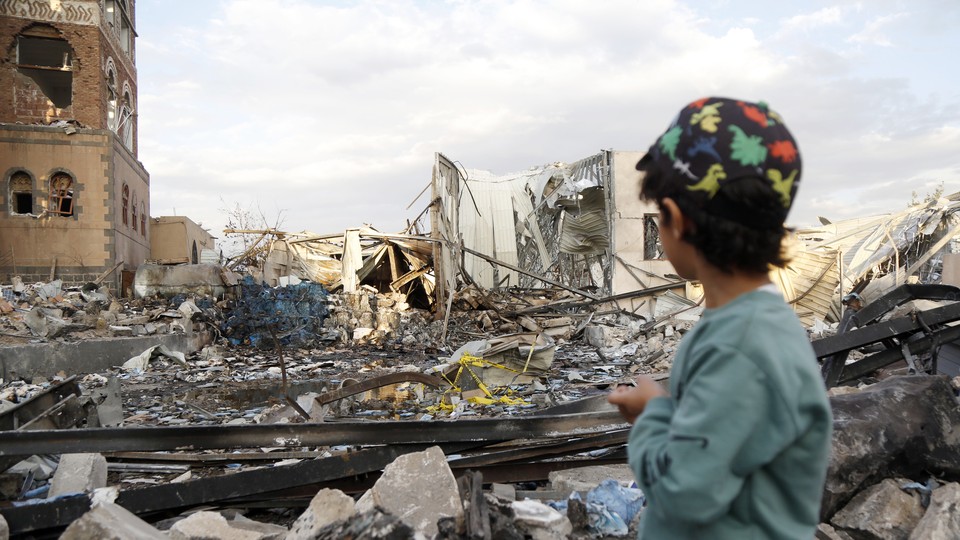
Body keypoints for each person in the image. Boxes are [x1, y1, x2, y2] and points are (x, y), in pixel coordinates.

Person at [608, 97, 832, 539]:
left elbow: (684, 493)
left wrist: (653, 414)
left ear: (675, 220)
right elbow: (721, 443)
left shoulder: (740, 345)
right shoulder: (749, 325)